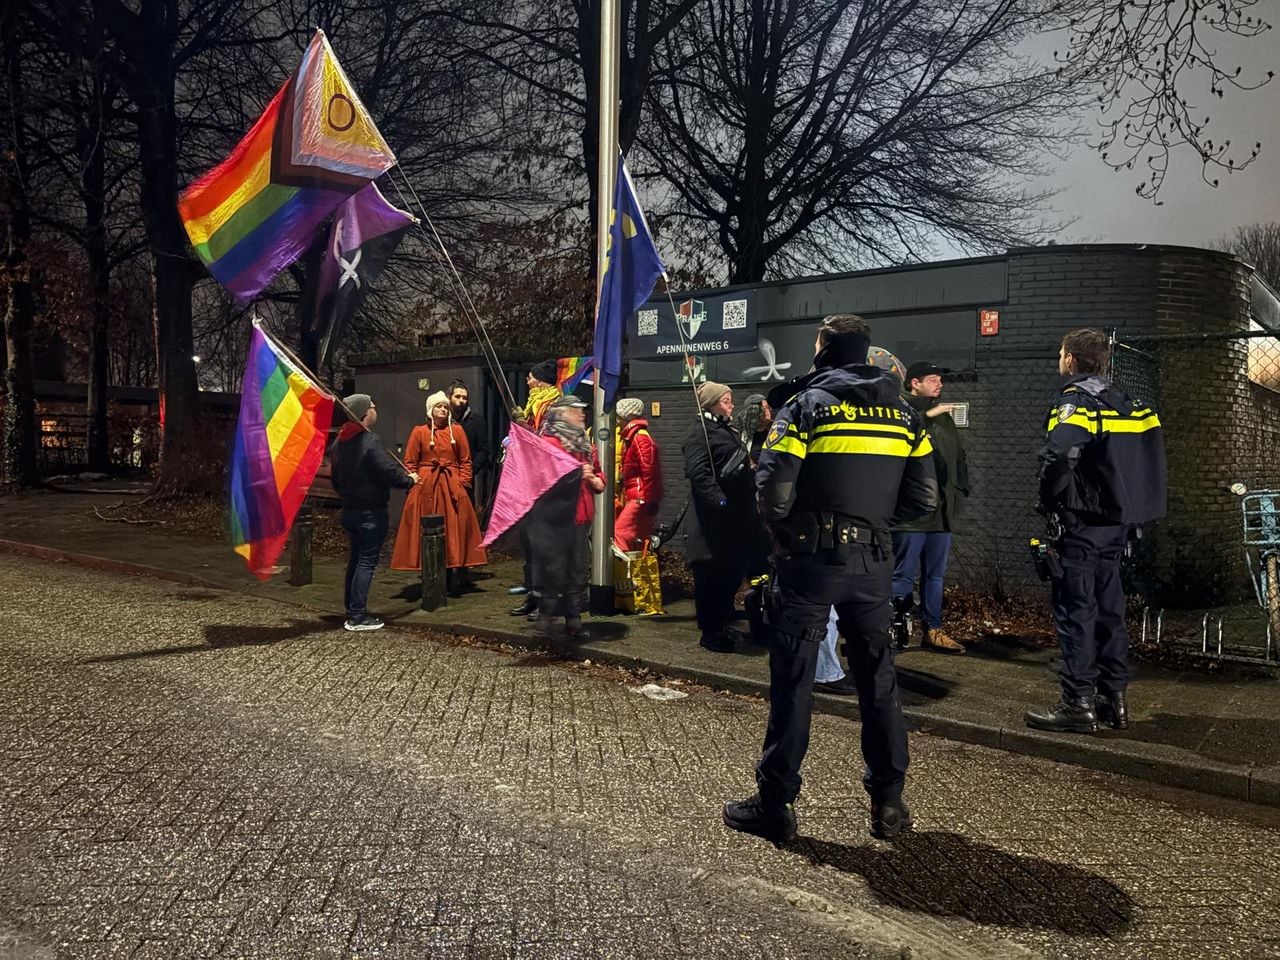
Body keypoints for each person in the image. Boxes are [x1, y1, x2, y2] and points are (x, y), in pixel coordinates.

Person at [722, 314, 938, 844]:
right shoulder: (908, 417)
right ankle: (888, 802)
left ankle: (776, 804)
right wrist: (875, 526)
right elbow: (925, 500)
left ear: (823, 348)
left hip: (809, 564)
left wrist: (793, 531)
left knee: (794, 682)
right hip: (874, 567)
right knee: (878, 682)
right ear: (866, 353)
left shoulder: (807, 406)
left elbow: (773, 494)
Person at [1025, 328, 1166, 734]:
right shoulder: (1134, 404)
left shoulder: (1076, 402)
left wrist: (1050, 500)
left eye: (1060, 353)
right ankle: (1114, 700)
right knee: (1110, 612)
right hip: (1119, 526)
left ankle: (1077, 703)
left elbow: (1060, 454)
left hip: (1082, 525)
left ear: (1070, 359)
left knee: (1076, 612)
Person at [892, 360, 970, 655]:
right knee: (902, 575)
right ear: (914, 383)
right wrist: (926, 415)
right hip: (910, 515)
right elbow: (898, 447)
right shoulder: (901, 411)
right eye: (933, 379)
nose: (940, 384)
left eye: (940, 378)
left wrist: (960, 491)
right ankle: (893, 628)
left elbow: (958, 458)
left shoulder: (944, 418)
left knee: (935, 576)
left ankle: (933, 630)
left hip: (941, 513)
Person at [683, 381, 764, 653]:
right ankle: (711, 631)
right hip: (715, 521)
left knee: (731, 574)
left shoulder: (726, 430)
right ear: (711, 403)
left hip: (738, 518)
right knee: (711, 577)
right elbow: (699, 474)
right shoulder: (701, 433)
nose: (731, 405)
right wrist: (720, 501)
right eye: (726, 400)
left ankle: (725, 623)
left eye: (731, 400)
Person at [328, 394, 418, 631]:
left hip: (349, 510)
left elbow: (335, 478)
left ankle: (351, 607)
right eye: (373, 407)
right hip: (370, 511)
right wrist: (409, 480)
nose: (376, 411)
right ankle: (357, 616)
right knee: (367, 562)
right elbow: (388, 471)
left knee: (356, 560)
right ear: (365, 412)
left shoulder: (339, 442)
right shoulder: (369, 441)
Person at [390, 391, 487, 596]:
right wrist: (415, 481)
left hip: (451, 486)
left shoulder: (457, 431)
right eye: (438, 407)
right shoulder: (419, 432)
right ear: (430, 410)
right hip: (427, 487)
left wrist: (461, 484)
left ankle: (454, 573)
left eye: (445, 407)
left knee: (454, 529)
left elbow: (465, 460)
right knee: (425, 529)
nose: (443, 409)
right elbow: (410, 461)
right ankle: (430, 574)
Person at [527, 394, 605, 640]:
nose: (582, 414)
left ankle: (574, 620)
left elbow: (599, 476)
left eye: (582, 410)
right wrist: (576, 475)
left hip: (581, 516)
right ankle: (545, 617)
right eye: (576, 410)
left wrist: (594, 480)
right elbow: (543, 480)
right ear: (562, 414)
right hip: (555, 518)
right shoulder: (548, 443)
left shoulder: (585, 444)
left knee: (578, 569)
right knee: (555, 569)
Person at [510, 360, 563, 616]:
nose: (528, 382)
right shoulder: (536, 405)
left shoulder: (554, 407)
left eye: (530, 378)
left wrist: (523, 427)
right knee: (529, 540)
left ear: (541, 381)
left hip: (548, 484)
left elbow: (546, 443)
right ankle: (534, 593)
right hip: (531, 481)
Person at [614, 397, 663, 551]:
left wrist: (650, 500)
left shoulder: (639, 437)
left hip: (639, 496)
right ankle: (637, 571)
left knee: (620, 532)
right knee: (639, 538)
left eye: (618, 417)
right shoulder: (634, 436)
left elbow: (650, 471)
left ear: (625, 417)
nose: (616, 421)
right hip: (638, 494)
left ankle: (623, 571)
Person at [449, 379, 493, 513]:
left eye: (464, 397)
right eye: (457, 396)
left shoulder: (477, 422)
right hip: (445, 475)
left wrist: (470, 471)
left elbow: (483, 450)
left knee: (465, 513)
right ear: (449, 397)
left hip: (467, 477)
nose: (461, 400)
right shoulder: (442, 421)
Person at [734, 393, 773, 464]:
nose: (769, 410)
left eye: (768, 407)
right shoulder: (742, 436)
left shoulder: (776, 429)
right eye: (765, 408)